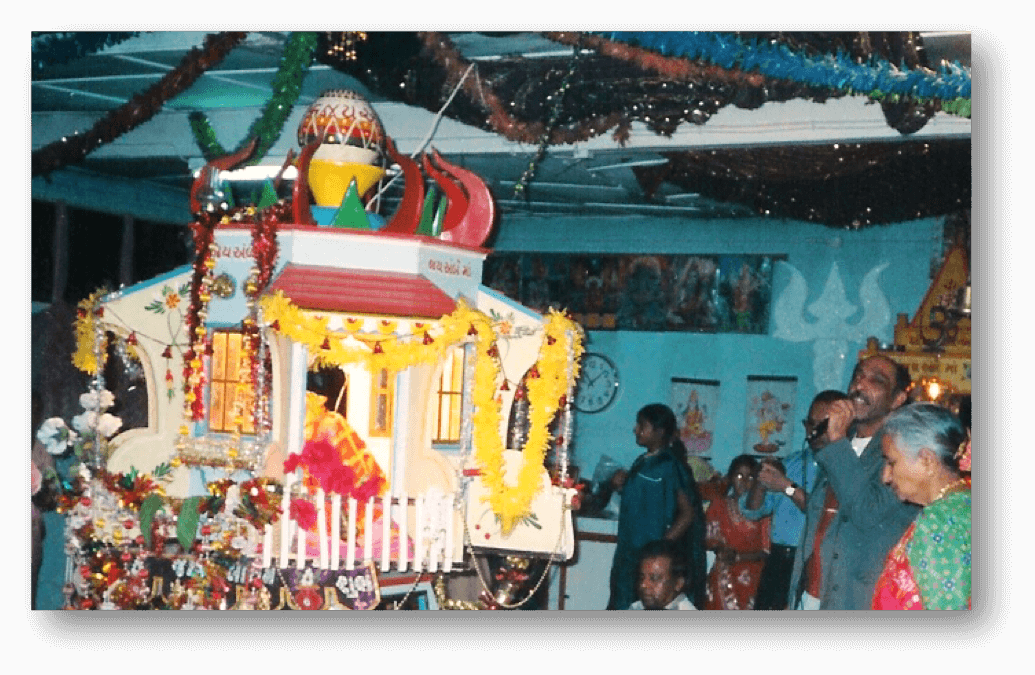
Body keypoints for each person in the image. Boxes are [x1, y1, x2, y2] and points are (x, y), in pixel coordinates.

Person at [790, 355, 920, 610]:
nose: (860, 384)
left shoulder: (900, 454)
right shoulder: (840, 444)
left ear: (897, 400)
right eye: (858, 375)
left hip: (855, 600)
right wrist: (796, 594)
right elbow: (817, 523)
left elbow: (866, 511)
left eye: (876, 380)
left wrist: (836, 439)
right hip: (811, 595)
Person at [606, 403, 707, 610]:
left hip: (649, 560)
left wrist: (660, 548)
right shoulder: (642, 462)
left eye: (642, 425)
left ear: (659, 432)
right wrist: (622, 484)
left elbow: (688, 513)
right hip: (629, 554)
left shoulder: (670, 465)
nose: (636, 429)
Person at [872, 403, 971, 609]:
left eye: (892, 462)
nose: (885, 477)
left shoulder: (940, 521)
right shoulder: (963, 502)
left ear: (927, 460)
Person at [738, 390, 831, 609]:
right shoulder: (791, 463)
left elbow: (822, 514)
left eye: (823, 426)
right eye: (811, 424)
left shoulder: (842, 469)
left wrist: (786, 486)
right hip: (779, 561)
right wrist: (761, 480)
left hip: (814, 563)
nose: (814, 432)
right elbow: (752, 511)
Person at [703, 454, 770, 610]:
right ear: (731, 478)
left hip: (753, 578)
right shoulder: (718, 506)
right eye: (739, 475)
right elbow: (709, 539)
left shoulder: (764, 511)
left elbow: (767, 551)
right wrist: (720, 549)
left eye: (750, 477)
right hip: (723, 576)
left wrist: (738, 557)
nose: (744, 482)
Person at [627, 539, 697, 610]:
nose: (643, 585)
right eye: (641, 578)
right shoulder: (637, 607)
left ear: (678, 583)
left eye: (654, 578)